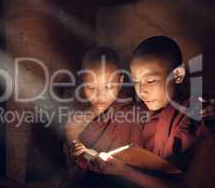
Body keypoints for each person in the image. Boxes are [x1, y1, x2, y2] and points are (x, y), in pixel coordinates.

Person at [89, 36, 214, 188]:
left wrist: (126, 172)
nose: (141, 91)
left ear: (178, 75)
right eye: (136, 81)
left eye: (150, 81)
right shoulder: (133, 112)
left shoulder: (200, 114)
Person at [64, 47, 146, 188]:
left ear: (120, 82)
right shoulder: (75, 125)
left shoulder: (134, 115)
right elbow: (75, 172)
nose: (100, 95)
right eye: (91, 87)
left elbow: (141, 165)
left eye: (108, 87)